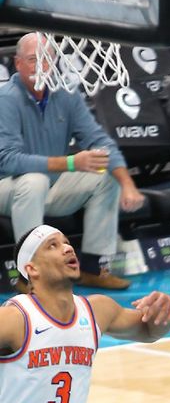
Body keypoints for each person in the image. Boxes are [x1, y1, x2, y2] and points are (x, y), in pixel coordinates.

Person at [0, 33, 146, 291]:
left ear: (54, 62)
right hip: (7, 187)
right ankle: (29, 277)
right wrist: (69, 164)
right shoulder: (6, 99)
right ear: (18, 62)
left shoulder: (65, 94)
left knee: (106, 174)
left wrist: (127, 183)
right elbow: (9, 161)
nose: (40, 67)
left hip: (50, 186)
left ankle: (90, 268)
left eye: (46, 61)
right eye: (33, 60)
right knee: (34, 181)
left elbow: (99, 139)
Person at [0, 225, 170, 403]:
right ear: (32, 269)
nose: (67, 248)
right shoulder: (14, 318)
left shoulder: (98, 310)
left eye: (67, 243)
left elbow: (150, 332)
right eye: (52, 245)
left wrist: (162, 313)